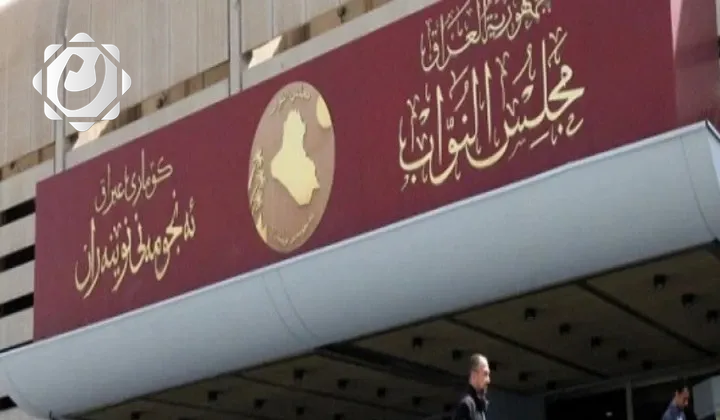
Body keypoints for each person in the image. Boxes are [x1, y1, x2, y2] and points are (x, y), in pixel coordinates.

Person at [453, 353, 491, 420]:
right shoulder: (466, 405)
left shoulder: (478, 406)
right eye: (485, 374)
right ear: (474, 375)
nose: (488, 380)